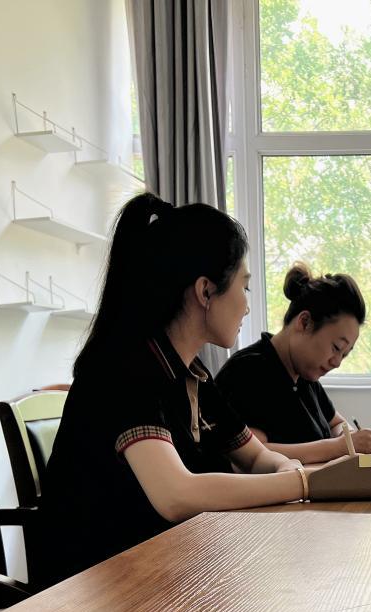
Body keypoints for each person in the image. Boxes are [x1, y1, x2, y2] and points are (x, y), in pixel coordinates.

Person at [38, 193, 308, 584]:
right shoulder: (123, 369)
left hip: (161, 569)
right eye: (245, 287)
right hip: (91, 594)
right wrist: (295, 483)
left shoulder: (192, 375)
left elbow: (256, 458)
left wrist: (285, 470)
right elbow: (176, 495)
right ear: (206, 291)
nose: (247, 305)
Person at [215, 263, 371, 463]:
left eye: (345, 355)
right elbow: (254, 455)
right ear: (304, 322)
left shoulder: (304, 375)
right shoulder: (248, 371)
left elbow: (336, 424)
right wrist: (340, 446)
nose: (337, 362)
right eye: (336, 348)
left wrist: (347, 437)